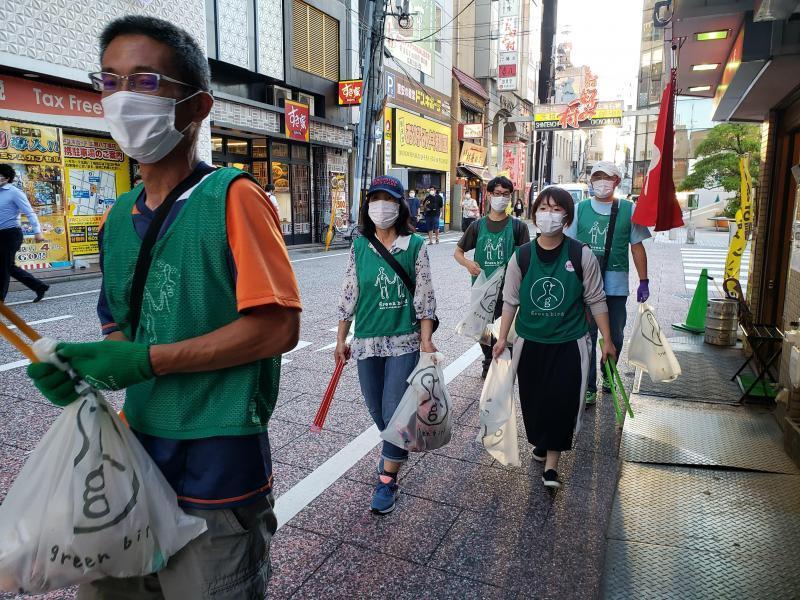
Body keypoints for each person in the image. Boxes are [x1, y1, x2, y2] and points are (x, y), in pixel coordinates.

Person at [26, 16, 302, 598]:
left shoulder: (233, 196)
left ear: (196, 105)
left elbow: (278, 327)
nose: (124, 97)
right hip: (132, 460)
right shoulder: (116, 219)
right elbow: (124, 332)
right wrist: (85, 369)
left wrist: (147, 362)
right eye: (110, 81)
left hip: (219, 468)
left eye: (146, 81)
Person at [493, 186, 616, 488]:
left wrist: (608, 341)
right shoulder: (521, 257)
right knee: (534, 401)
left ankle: (552, 465)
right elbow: (510, 301)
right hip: (530, 342)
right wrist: (501, 338)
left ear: (567, 216)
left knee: (561, 401)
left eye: (556, 209)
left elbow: (597, 299)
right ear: (534, 214)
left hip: (569, 343)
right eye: (543, 209)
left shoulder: (580, 254)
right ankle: (541, 440)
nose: (549, 215)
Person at [335, 175, 437, 515]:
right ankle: (395, 448)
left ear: (400, 206)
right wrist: (340, 338)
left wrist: (426, 342)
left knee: (394, 410)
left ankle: (387, 479)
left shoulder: (416, 247)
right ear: (368, 206)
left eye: (389, 199)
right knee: (377, 410)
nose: (382, 205)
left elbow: (424, 298)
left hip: (404, 340)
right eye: (376, 198)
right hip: (367, 340)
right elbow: (350, 292)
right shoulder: (359, 245)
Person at [565, 161, 651, 406]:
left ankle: (608, 373)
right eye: (597, 177)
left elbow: (637, 247)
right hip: (585, 285)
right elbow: (568, 247)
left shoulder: (628, 209)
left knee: (615, 335)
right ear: (591, 181)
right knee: (589, 336)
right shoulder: (579, 209)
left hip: (616, 286)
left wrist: (644, 280)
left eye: (608, 177)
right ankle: (589, 385)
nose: (602, 181)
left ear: (616, 180)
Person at [454, 176, 530, 378]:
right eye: (497, 193)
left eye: (506, 194)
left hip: (508, 291)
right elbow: (458, 252)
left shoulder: (518, 227)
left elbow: (526, 260)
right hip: (482, 289)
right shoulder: (477, 226)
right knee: (483, 330)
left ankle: (501, 364)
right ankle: (488, 360)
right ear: (489, 195)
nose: (501, 198)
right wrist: (468, 263)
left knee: (505, 331)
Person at [0, 164, 49, 302]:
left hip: (11, 234)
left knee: (4, 267)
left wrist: (37, 232)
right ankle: (39, 286)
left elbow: (29, 212)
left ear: (7, 178)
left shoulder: (14, 192)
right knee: (8, 266)